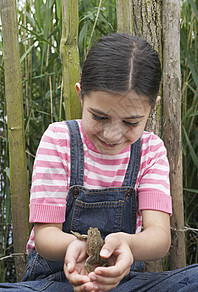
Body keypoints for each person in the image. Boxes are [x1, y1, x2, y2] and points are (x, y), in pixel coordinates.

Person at [0, 33, 198, 291]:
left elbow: (159, 238)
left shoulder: (151, 151)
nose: (112, 135)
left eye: (131, 122)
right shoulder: (59, 141)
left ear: (152, 107)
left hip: (126, 284)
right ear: (81, 95)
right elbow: (45, 236)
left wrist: (127, 245)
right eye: (100, 117)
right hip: (55, 284)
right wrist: (75, 248)